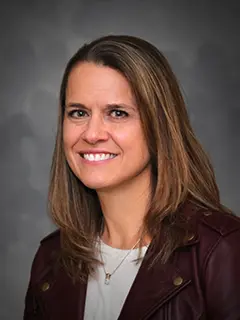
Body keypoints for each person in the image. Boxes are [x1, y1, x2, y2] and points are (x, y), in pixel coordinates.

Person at [23, 35, 240, 320]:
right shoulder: (49, 259)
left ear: (159, 126)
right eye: (78, 112)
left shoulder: (223, 250)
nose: (91, 133)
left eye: (117, 113)